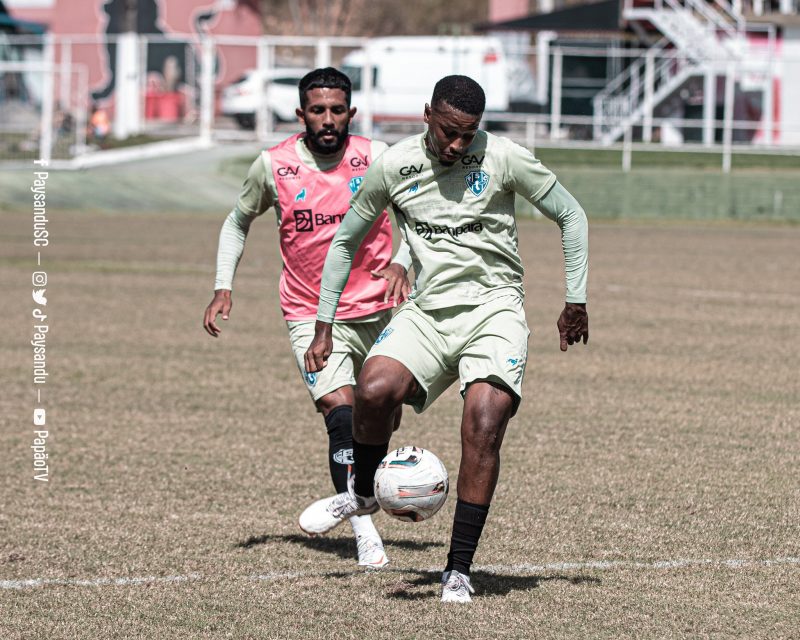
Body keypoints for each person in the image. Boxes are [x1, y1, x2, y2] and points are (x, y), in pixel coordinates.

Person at [301, 75, 589, 603]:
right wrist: (324, 323)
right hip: (429, 312)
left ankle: (457, 570)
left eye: (468, 134)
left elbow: (571, 214)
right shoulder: (394, 165)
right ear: (427, 113)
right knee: (372, 389)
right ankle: (362, 496)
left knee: (484, 422)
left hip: (493, 311)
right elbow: (344, 243)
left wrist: (576, 298)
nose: (458, 145)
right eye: (450, 132)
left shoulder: (503, 158)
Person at [203, 67, 411, 569]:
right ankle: (364, 530)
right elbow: (237, 221)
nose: (327, 120)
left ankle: (368, 483)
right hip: (310, 315)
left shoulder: (376, 158)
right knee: (341, 418)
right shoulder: (273, 165)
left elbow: (413, 220)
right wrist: (222, 286)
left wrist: (403, 260)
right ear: (301, 114)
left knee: (378, 415)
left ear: (351, 113)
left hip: (382, 310)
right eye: (317, 110)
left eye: (337, 110)